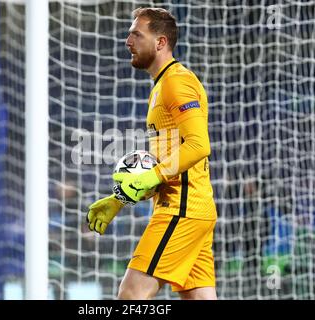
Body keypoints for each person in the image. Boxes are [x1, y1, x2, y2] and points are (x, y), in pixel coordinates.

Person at [87, 7, 217, 300]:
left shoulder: (176, 82)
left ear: (160, 42)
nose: (127, 41)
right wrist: (120, 199)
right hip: (193, 210)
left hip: (181, 210)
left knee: (131, 296)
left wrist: (153, 176)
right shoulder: (162, 84)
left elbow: (199, 145)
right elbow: (163, 162)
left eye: (136, 34)